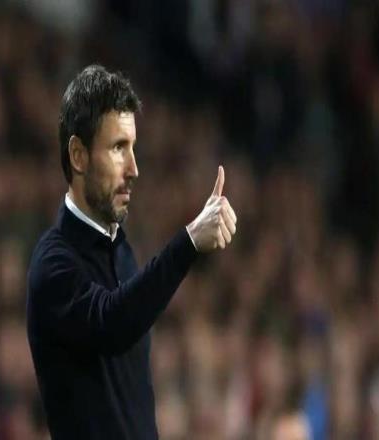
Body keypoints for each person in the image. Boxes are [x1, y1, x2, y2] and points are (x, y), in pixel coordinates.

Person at [26, 64, 237, 439]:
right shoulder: (53, 262)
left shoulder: (122, 250)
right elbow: (111, 324)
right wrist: (188, 241)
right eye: (118, 148)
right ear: (78, 155)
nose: (134, 168)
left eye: (133, 148)